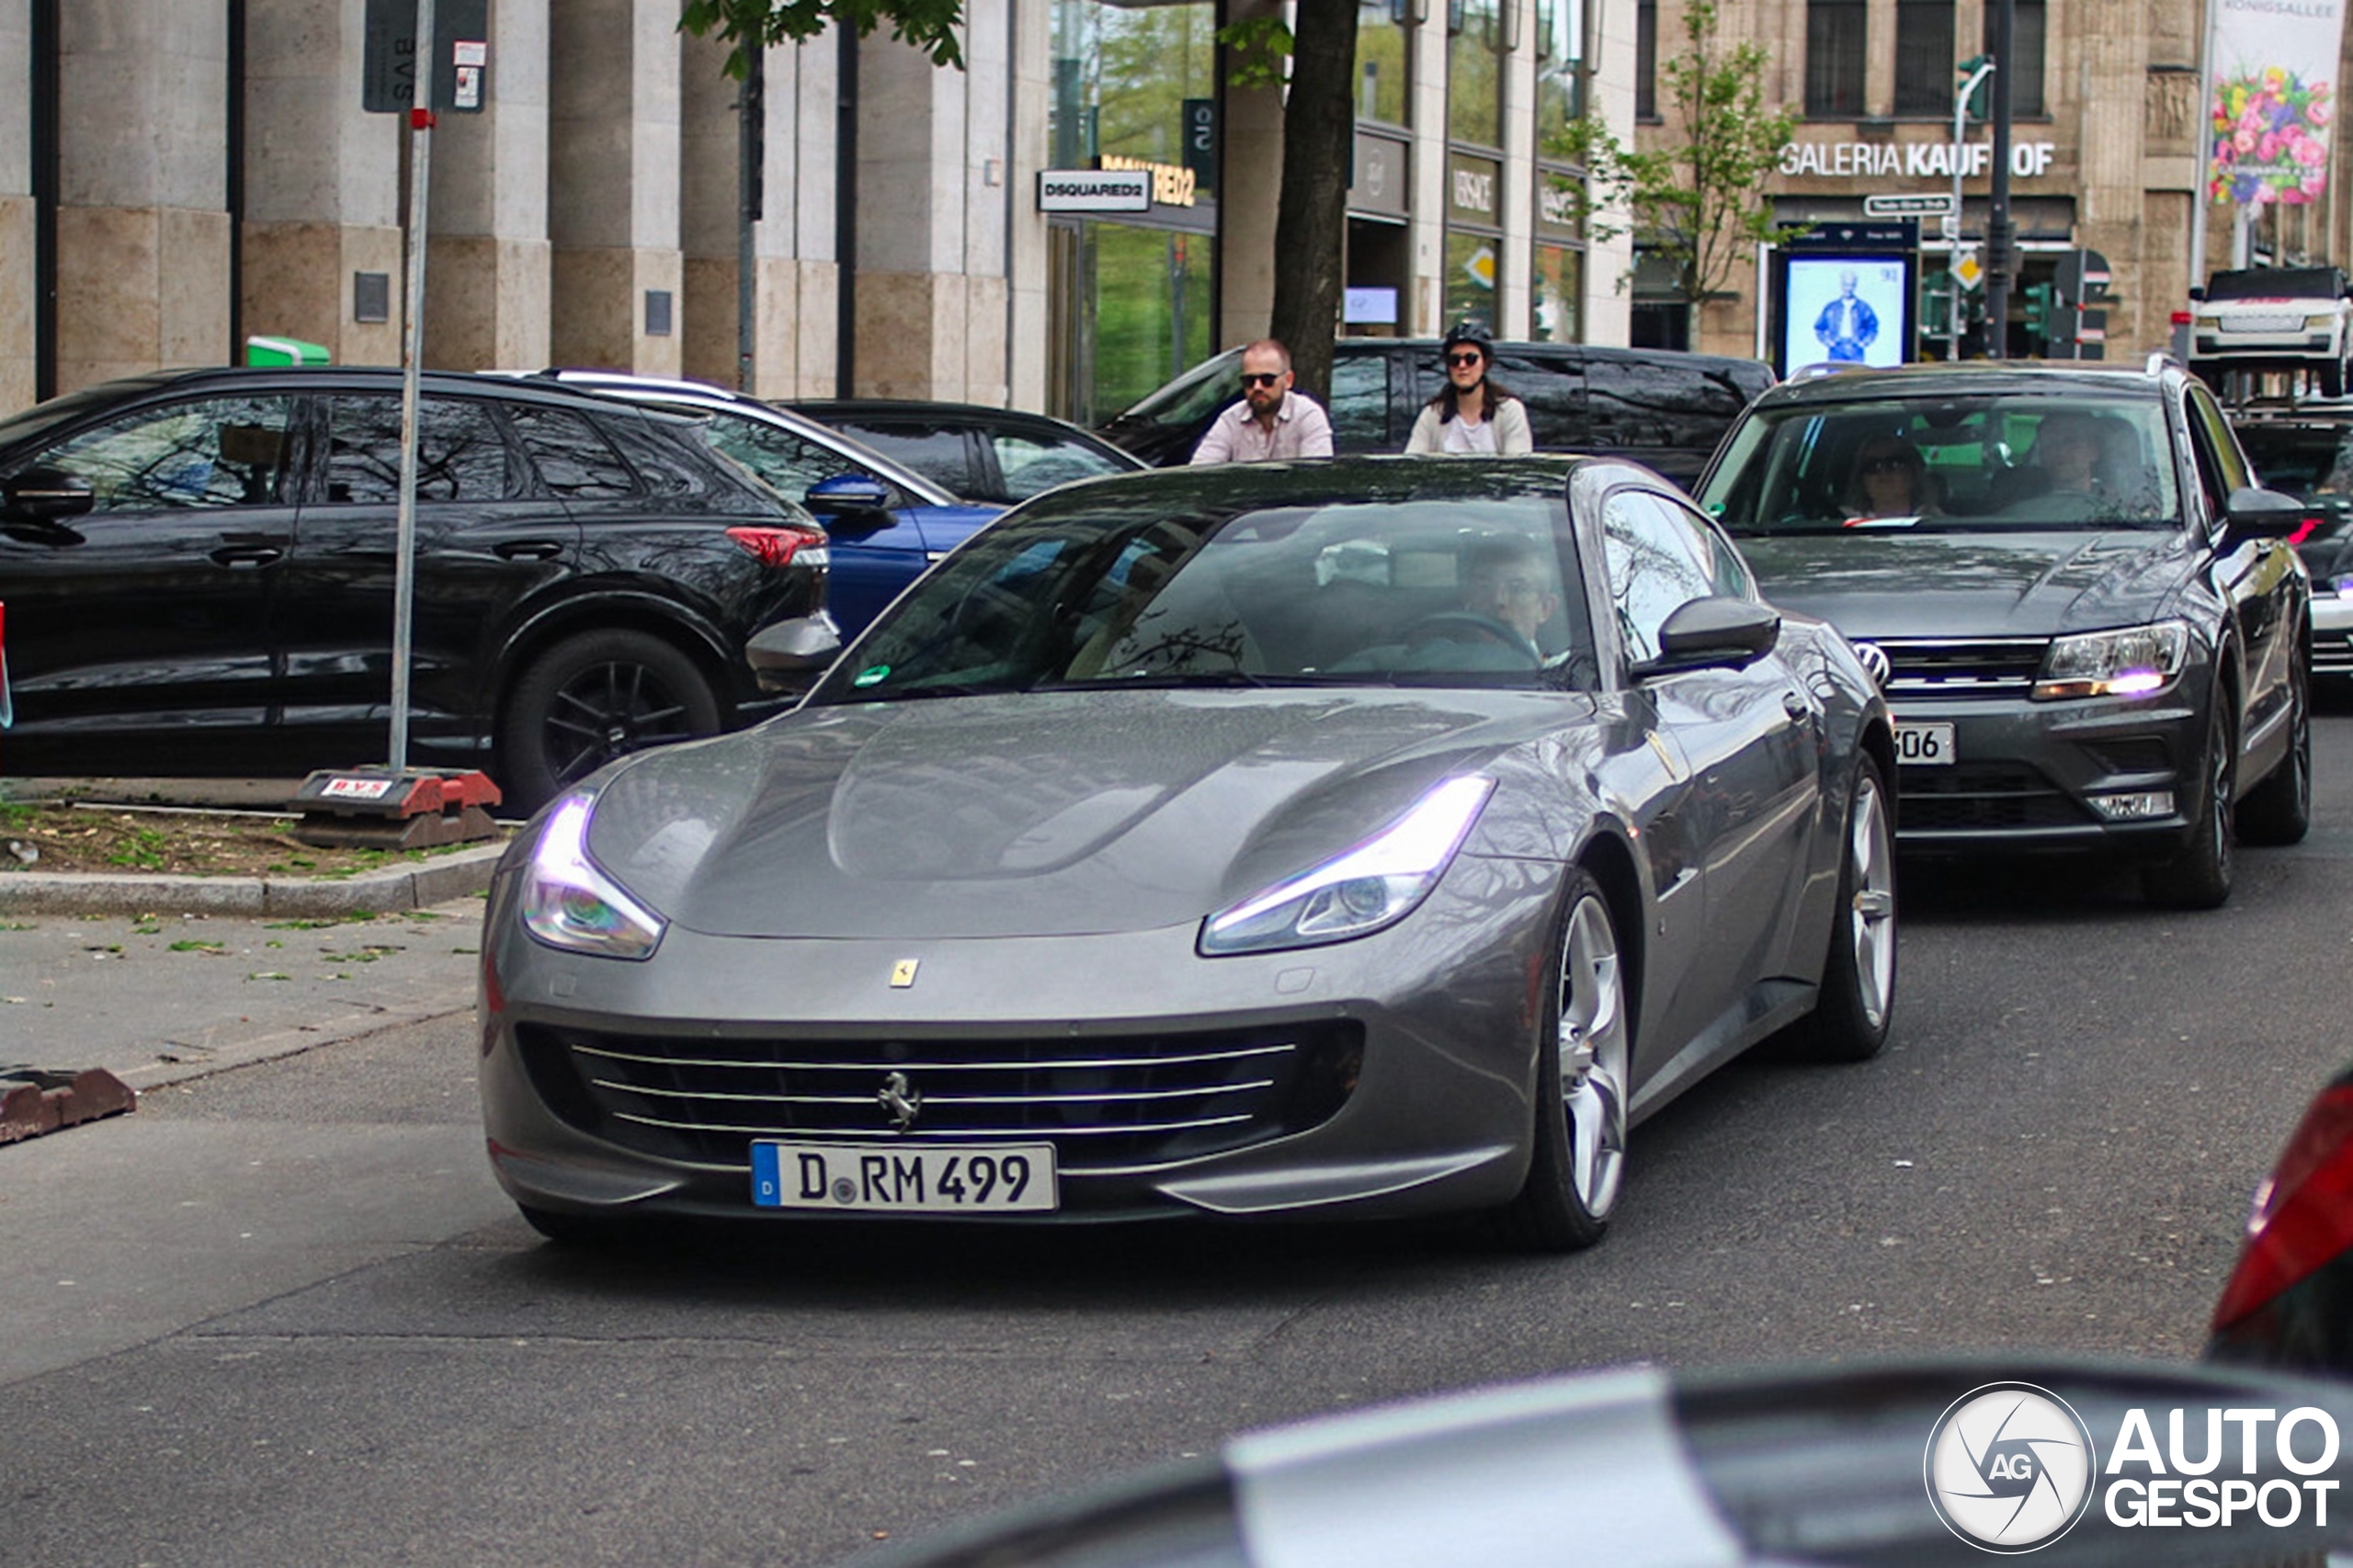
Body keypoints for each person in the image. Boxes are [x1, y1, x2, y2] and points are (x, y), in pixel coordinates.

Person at [1188, 339, 1335, 464]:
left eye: (1267, 380)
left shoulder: (1308, 415)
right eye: (1249, 381)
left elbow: (1315, 478)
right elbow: (1199, 474)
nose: (1257, 387)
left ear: (1288, 380)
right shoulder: (1230, 420)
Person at [1404, 324, 1534, 455]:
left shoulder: (1509, 411)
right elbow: (1411, 463)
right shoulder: (1432, 414)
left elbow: (1517, 466)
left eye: (1470, 359)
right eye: (1454, 360)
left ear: (1485, 364)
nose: (1462, 366)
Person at [1452, 533, 1561, 657]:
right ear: (1468, 596)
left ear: (1545, 608)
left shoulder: (1563, 671)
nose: (1498, 600)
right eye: (1484, 587)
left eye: (1517, 589)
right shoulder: (1437, 662)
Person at [1842, 435, 1938, 519]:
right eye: (1872, 465)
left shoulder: (1938, 524)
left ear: (1913, 472)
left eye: (1894, 464)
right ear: (1862, 479)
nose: (1883, 471)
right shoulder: (1841, 525)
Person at [1814, 270, 1879, 364]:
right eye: (1846, 285)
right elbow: (1819, 328)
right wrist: (1828, 342)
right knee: (1834, 377)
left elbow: (1873, 327)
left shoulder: (1863, 307)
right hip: (1836, 348)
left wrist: (1864, 343)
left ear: (1855, 286)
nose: (1848, 288)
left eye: (1851, 285)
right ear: (1841, 285)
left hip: (1855, 348)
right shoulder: (1831, 307)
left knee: (1857, 376)